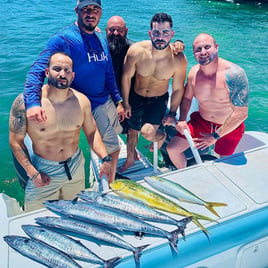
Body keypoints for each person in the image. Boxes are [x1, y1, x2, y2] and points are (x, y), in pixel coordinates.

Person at [23, 0, 124, 183]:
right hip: (88, 106)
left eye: (95, 9)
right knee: (114, 149)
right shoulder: (63, 39)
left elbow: (108, 71)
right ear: (77, 10)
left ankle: (109, 175)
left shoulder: (101, 37)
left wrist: (118, 100)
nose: (90, 13)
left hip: (106, 100)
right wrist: (32, 103)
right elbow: (37, 70)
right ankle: (112, 184)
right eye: (85, 9)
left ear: (101, 13)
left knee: (113, 141)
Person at [9, 52, 113, 212]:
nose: (62, 74)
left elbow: (92, 133)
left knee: (75, 212)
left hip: (76, 166)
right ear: (47, 72)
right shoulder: (26, 103)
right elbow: (16, 142)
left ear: (73, 75)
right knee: (37, 216)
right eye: (57, 69)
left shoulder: (82, 101)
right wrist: (32, 172)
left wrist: (105, 159)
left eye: (67, 70)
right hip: (44, 170)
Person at [166, 33, 249, 169]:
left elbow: (241, 113)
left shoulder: (234, 74)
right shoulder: (194, 73)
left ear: (216, 47)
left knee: (225, 163)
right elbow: (187, 98)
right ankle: (188, 175)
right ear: (194, 53)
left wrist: (215, 136)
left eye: (207, 47)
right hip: (202, 122)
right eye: (198, 49)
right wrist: (181, 120)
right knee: (173, 149)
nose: (202, 52)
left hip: (229, 127)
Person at [119, 13, 187, 172]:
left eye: (165, 33)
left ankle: (161, 136)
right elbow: (126, 77)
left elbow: (178, 88)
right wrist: (126, 102)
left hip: (158, 99)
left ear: (172, 34)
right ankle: (130, 159)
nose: (160, 38)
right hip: (136, 95)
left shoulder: (178, 59)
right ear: (150, 33)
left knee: (147, 132)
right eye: (156, 33)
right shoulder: (137, 51)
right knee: (132, 130)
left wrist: (172, 112)